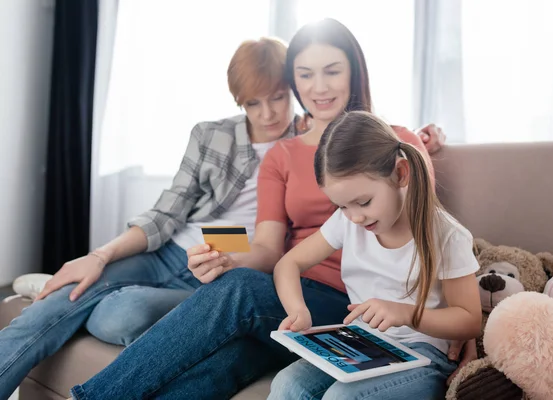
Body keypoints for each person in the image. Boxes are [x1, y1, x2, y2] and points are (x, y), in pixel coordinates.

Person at [66, 19, 455, 400]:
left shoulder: (398, 142)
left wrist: (460, 324)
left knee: (238, 291)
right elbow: (269, 249)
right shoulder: (281, 154)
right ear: (294, 82)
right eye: (304, 75)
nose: (318, 87)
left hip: (358, 304)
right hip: (291, 299)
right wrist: (227, 263)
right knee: (220, 365)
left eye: (332, 71)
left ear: (355, 72)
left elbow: (430, 231)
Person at [0, 37, 306, 400]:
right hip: (170, 250)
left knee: (119, 316)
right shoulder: (211, 134)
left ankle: (100, 296)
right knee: (56, 304)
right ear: (239, 101)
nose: (268, 114)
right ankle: (78, 289)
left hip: (221, 273)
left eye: (278, 97)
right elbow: (167, 211)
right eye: (254, 103)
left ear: (293, 91)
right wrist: (99, 256)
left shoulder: (307, 143)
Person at [268, 110, 482, 399]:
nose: (355, 217)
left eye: (363, 202)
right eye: (342, 206)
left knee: (342, 398)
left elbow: (469, 320)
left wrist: (406, 313)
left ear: (400, 173)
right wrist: (298, 311)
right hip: (362, 342)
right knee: (287, 384)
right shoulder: (348, 222)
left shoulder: (446, 235)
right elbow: (289, 264)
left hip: (424, 352)